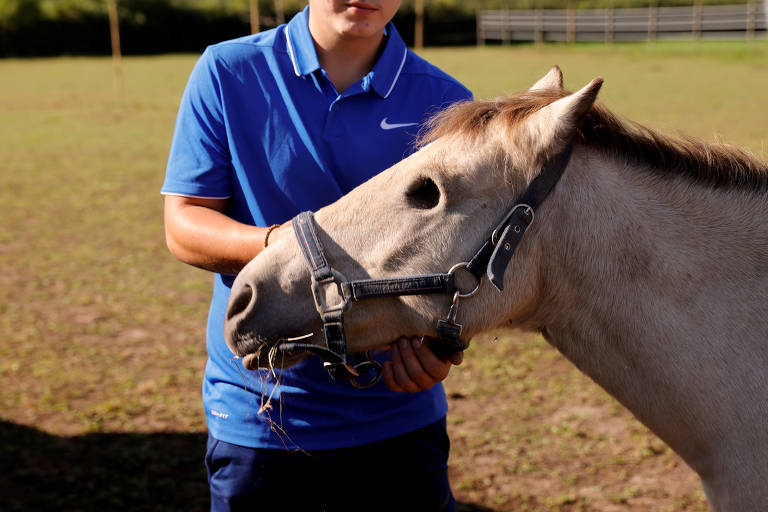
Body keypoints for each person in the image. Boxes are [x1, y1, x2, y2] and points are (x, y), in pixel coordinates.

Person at [162, 1, 472, 510]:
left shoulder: (448, 104)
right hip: (261, 417)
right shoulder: (228, 70)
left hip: (397, 418)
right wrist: (288, 250)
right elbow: (184, 225)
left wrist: (438, 354)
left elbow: (461, 264)